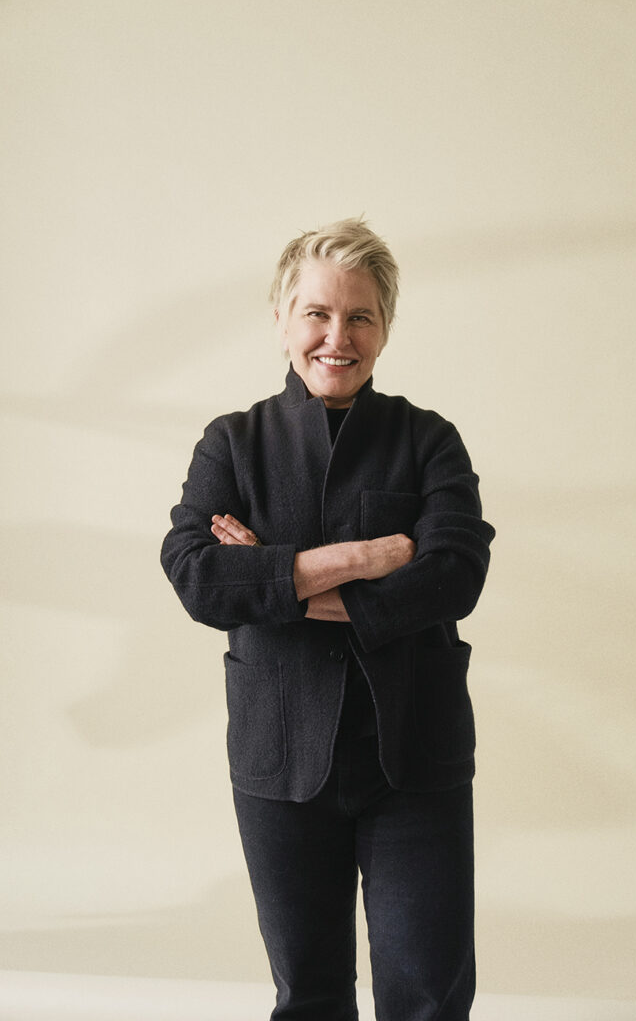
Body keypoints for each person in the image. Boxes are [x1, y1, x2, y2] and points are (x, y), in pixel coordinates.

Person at [161, 218, 495, 1021]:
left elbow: (454, 573)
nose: (336, 338)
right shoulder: (231, 444)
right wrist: (365, 558)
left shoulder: (429, 440)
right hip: (279, 758)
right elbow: (197, 575)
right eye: (316, 313)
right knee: (307, 995)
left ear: (384, 328)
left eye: (359, 317)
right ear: (282, 320)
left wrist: (273, 575)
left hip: (415, 758)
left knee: (427, 996)